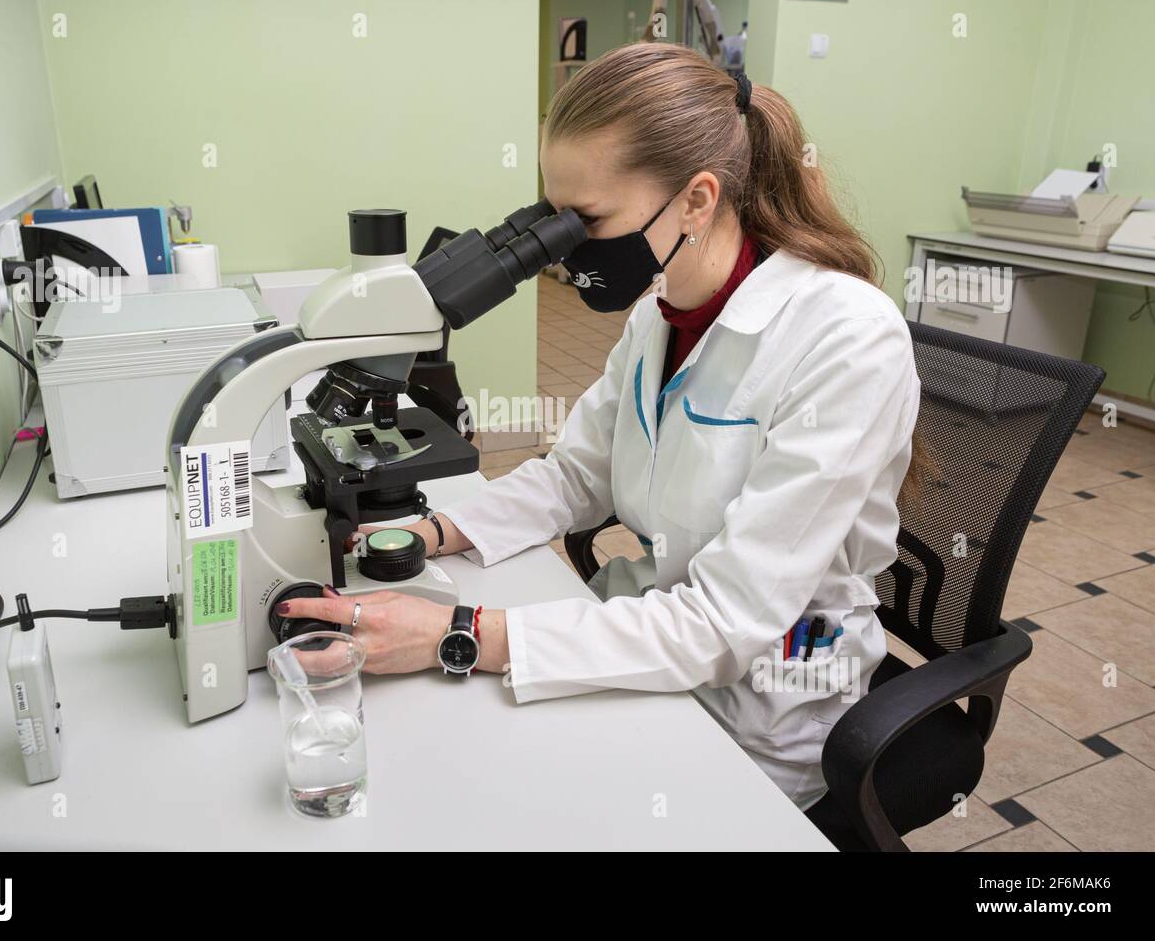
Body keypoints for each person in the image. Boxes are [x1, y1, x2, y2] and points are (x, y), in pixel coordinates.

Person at [278, 42, 922, 811]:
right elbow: (577, 474)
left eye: (590, 219)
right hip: (653, 638)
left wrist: (457, 632)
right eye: (555, 219)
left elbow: (724, 624)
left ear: (697, 199)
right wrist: (432, 531)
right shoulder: (659, 310)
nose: (567, 248)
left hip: (771, 701)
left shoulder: (847, 338)